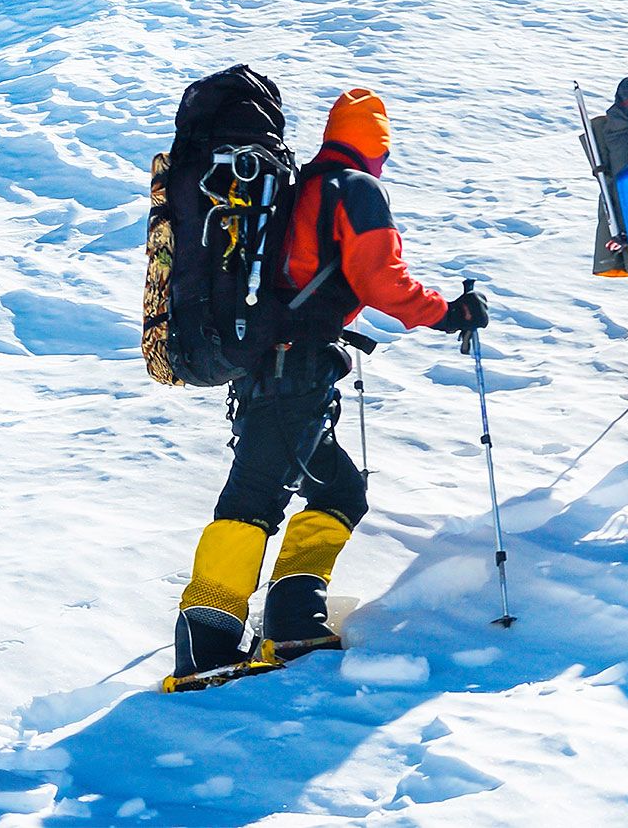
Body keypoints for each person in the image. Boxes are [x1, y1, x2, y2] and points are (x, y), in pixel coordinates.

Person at [172, 88, 488, 678]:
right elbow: (382, 281)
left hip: (276, 367)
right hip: (295, 371)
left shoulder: (296, 189)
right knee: (252, 502)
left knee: (340, 491)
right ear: (377, 147)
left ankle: (294, 623)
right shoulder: (355, 189)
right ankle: (205, 647)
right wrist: (450, 313)